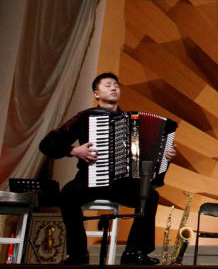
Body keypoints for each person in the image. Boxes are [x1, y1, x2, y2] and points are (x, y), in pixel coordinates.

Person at [39, 72, 177, 265]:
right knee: (67, 195)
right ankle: (78, 254)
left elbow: (147, 157)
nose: (114, 88)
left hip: (122, 183)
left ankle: (134, 252)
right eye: (108, 85)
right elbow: (47, 144)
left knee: (150, 196)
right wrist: (74, 150)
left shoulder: (132, 121)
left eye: (116, 86)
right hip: (90, 178)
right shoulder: (85, 117)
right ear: (96, 94)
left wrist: (165, 156)